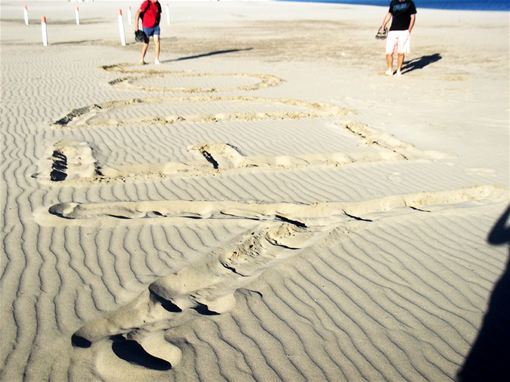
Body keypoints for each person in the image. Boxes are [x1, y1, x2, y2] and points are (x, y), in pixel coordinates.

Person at [378, 0, 417, 76]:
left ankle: (399, 70)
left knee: (401, 52)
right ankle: (389, 70)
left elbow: (413, 17)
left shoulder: (410, 3)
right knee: (388, 52)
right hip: (392, 31)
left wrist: (409, 30)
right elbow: (389, 14)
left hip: (404, 31)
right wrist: (383, 25)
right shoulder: (393, 2)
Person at [135, 0, 162, 65]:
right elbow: (138, 12)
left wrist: (158, 23)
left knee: (157, 41)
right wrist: (136, 26)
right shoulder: (146, 3)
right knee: (146, 43)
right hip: (147, 26)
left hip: (156, 26)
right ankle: (141, 59)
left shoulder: (158, 4)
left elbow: (159, 14)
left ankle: (157, 60)